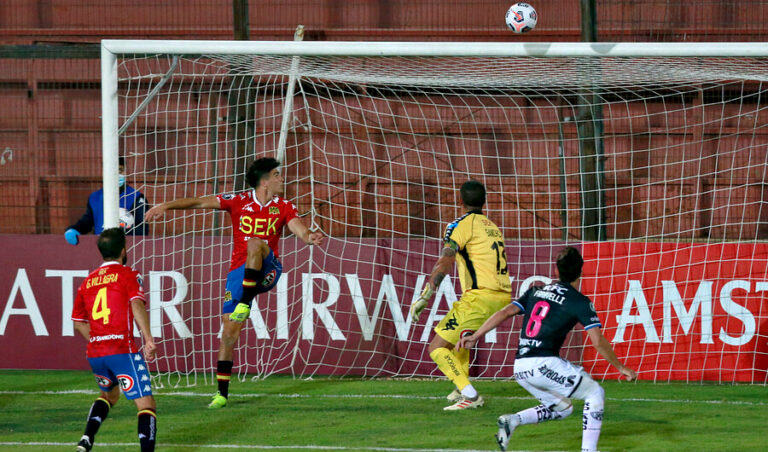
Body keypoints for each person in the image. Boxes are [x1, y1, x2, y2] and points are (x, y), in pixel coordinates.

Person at [145, 157, 323, 409]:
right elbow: (198, 202)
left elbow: (299, 229)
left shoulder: (283, 206)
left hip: (269, 269)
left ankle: (246, 303)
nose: (281, 178)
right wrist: (166, 205)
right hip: (239, 273)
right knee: (228, 333)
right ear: (264, 181)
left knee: (255, 242)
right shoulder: (238, 201)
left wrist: (309, 236)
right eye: (276, 175)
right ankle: (221, 393)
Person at [457, 246, 637, 452]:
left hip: (521, 367)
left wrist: (476, 336)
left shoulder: (536, 291)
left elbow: (506, 311)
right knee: (595, 393)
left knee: (563, 408)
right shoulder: (580, 301)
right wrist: (620, 367)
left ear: (556, 271)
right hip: (543, 363)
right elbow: (598, 342)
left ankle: (512, 421)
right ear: (581, 272)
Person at [410, 180, 512, 410]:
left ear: (460, 201)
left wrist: (427, 294)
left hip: (480, 297)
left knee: (437, 347)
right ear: (484, 201)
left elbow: (447, 258)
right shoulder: (492, 226)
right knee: (461, 340)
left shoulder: (459, 225)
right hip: (502, 297)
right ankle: (460, 387)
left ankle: (471, 395)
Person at [71, 228, 157, 452]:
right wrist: (148, 339)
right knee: (145, 404)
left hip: (97, 353)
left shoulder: (87, 282)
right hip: (122, 350)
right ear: (123, 250)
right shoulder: (128, 274)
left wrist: (99, 340)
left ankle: (86, 438)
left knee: (109, 395)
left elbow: (78, 322)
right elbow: (136, 304)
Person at [65, 156, 149, 245]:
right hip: (100, 248)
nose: (116, 174)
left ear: (125, 172)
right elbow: (86, 223)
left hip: (126, 249)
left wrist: (120, 231)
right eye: (112, 171)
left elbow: (142, 230)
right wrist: (73, 230)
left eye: (120, 170)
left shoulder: (137, 198)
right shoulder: (95, 197)